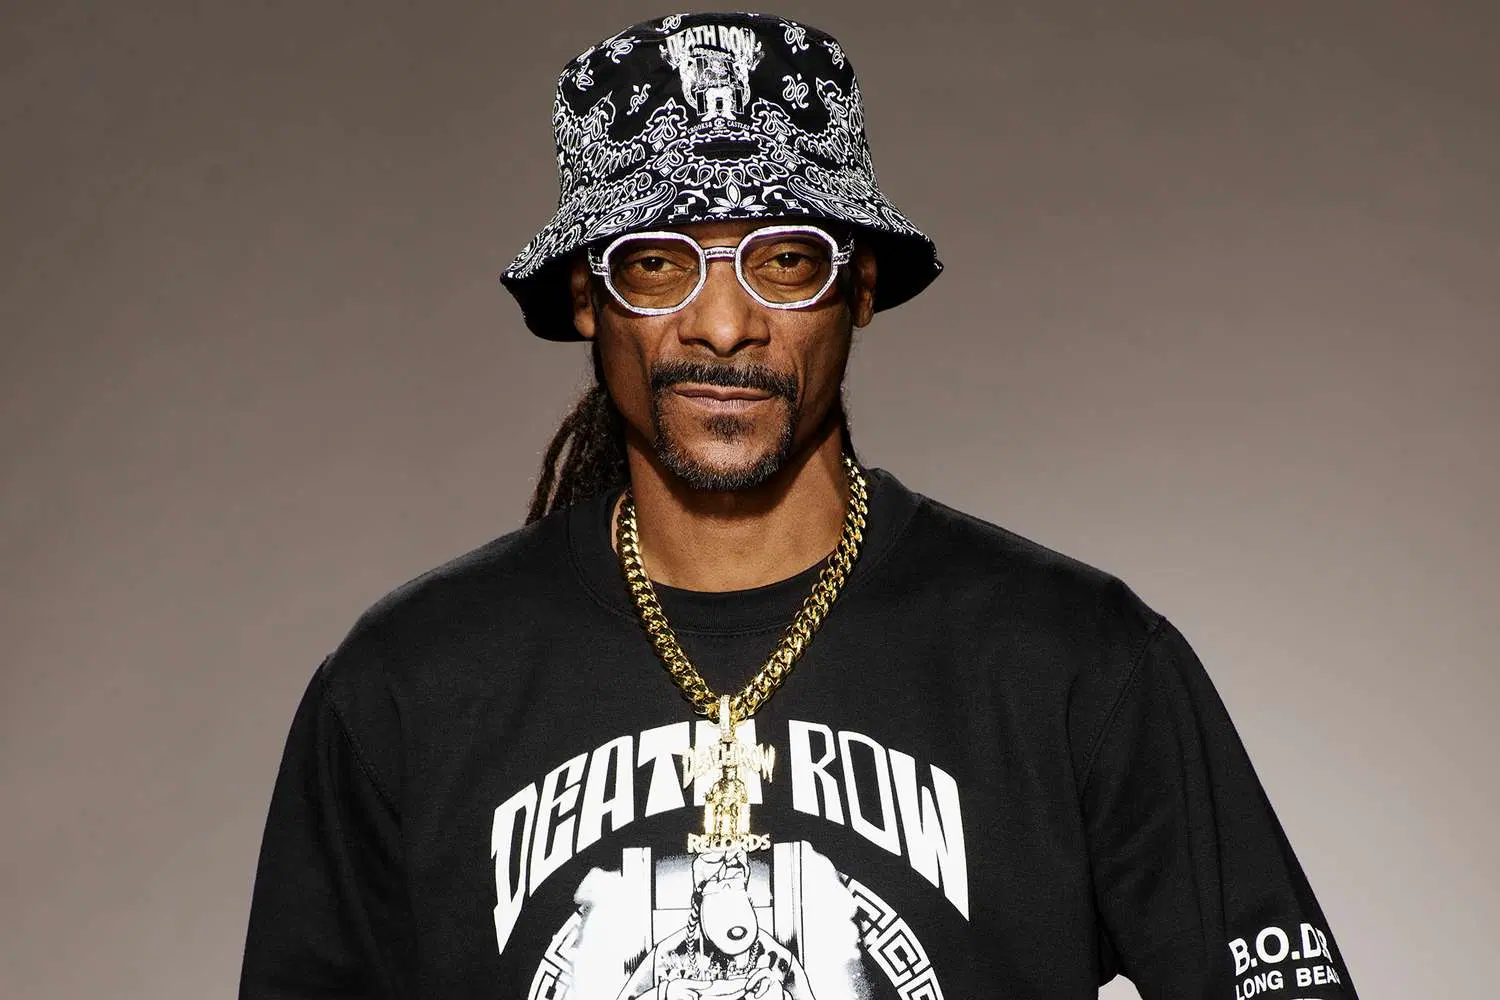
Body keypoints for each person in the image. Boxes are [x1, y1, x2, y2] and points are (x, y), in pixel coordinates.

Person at [239, 12, 1359, 1000]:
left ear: (859, 288)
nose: (723, 325)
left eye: (783, 261)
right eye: (657, 263)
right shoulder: (411, 684)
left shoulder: (1072, 659)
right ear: (588, 296)